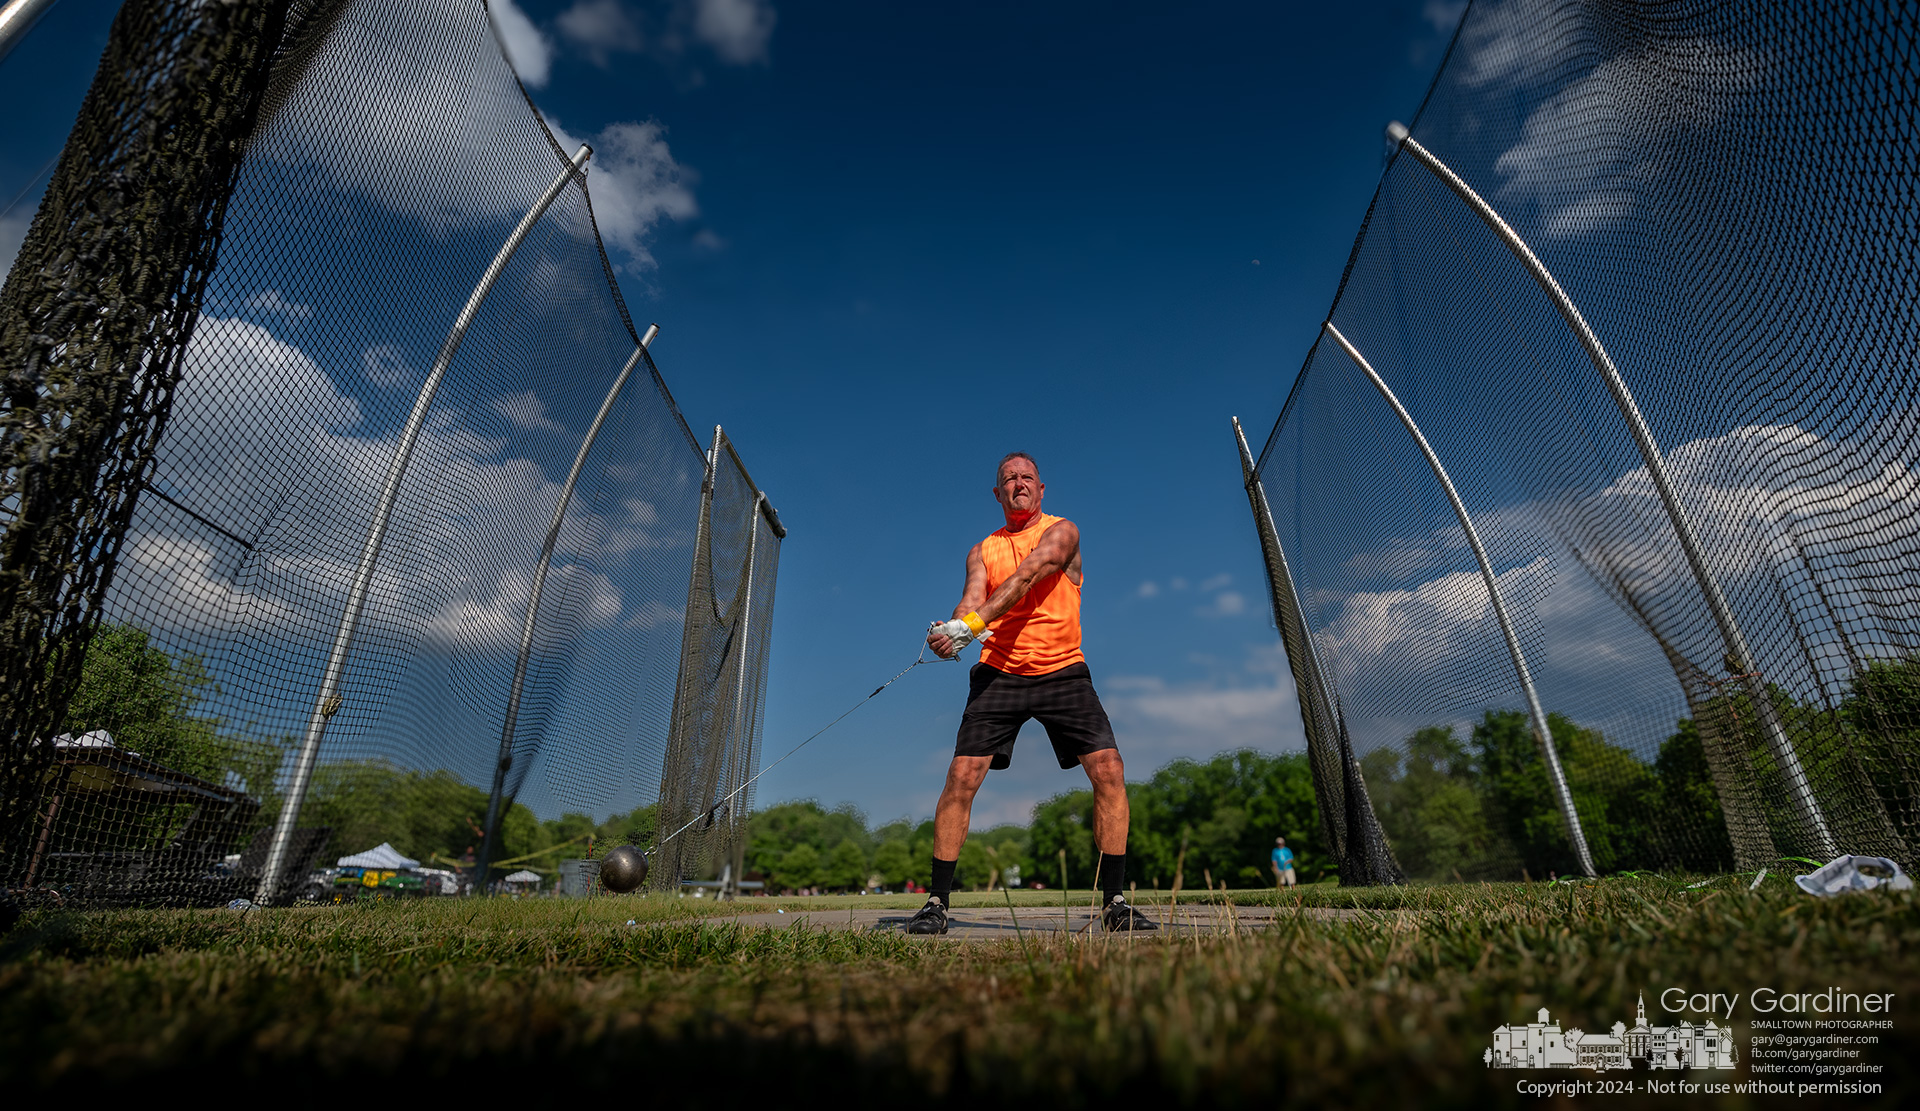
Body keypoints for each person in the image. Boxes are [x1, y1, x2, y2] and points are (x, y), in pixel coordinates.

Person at [905, 452, 1155, 935]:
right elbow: (972, 600)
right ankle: (936, 902)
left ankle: (1116, 902)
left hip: (1063, 670)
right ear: (998, 494)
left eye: (1026, 478)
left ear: (1042, 489)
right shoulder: (982, 549)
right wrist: (953, 628)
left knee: (1109, 770)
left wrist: (970, 625)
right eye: (1008, 480)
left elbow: (1030, 575)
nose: (1018, 484)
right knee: (961, 777)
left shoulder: (1063, 531)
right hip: (998, 672)